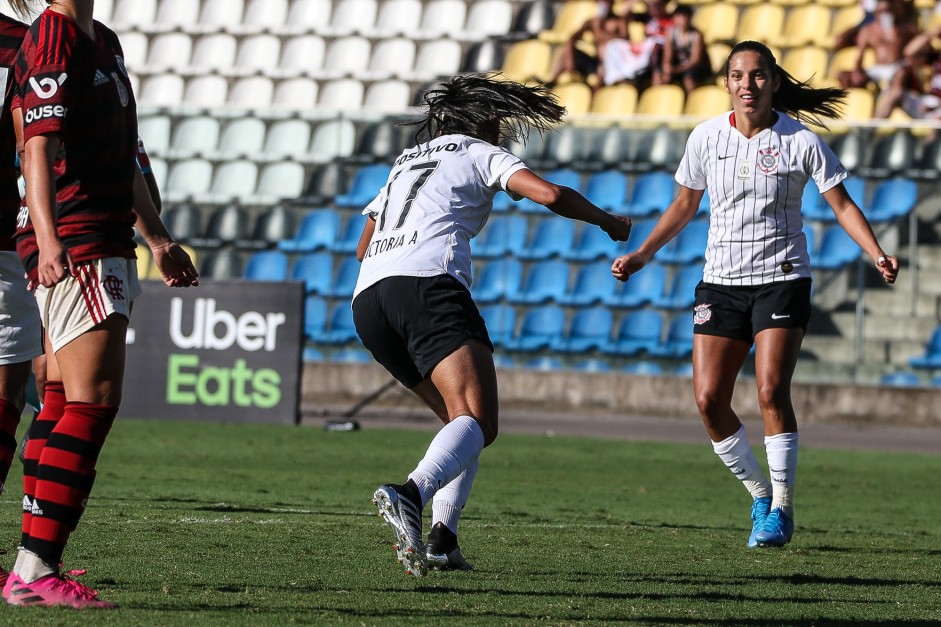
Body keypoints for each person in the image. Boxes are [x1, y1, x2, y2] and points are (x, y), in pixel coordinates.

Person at [611, 41, 899, 549]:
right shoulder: (704, 138)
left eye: (759, 75)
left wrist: (876, 252)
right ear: (726, 84)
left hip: (781, 278)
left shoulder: (800, 141)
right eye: (738, 75)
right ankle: (760, 494)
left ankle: (784, 509)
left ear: (774, 82)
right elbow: (684, 204)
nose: (748, 84)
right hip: (720, 282)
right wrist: (642, 255)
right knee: (707, 400)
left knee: (769, 390)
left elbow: (842, 204)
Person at [353, 74, 632, 576]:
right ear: (483, 118)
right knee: (480, 420)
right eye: (498, 118)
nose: (502, 127)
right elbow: (546, 194)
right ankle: (410, 493)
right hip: (427, 287)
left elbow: (362, 245)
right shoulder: (478, 151)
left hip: (369, 300)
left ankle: (442, 539)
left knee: (459, 423)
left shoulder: (406, 161)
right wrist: (609, 222)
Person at [4, 0, 198, 609]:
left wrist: (158, 237)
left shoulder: (103, 39)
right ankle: (36, 571)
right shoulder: (53, 35)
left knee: (62, 399)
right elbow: (35, 145)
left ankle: (30, 560)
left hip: (104, 232)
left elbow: (125, 155)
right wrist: (51, 235)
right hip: (80, 235)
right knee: (93, 404)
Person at [837, 0, 919, 90]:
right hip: (878, 69)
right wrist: (857, 71)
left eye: (888, 11)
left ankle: (890, 99)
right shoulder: (868, 30)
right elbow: (859, 57)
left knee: (902, 74)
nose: (885, 14)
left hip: (897, 67)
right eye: (882, 11)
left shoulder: (906, 28)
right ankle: (858, 100)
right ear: (876, 11)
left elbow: (919, 46)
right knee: (843, 76)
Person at [874, 22, 941, 121]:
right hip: (927, 101)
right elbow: (909, 52)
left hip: (938, 109)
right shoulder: (936, 58)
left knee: (937, 120)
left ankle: (930, 136)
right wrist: (931, 34)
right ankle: (869, 131)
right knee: (895, 93)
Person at [656, 5, 712, 94]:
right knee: (661, 75)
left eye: (685, 17)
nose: (682, 20)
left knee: (688, 78)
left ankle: (692, 100)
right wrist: (667, 68)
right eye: (679, 17)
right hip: (680, 65)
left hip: (697, 67)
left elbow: (695, 60)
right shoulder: (671, 33)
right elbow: (667, 54)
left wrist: (677, 70)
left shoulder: (696, 35)